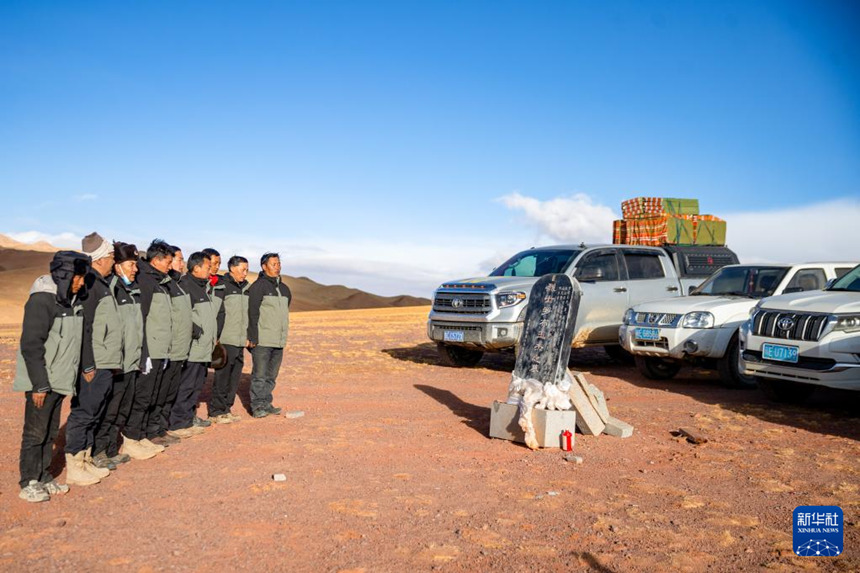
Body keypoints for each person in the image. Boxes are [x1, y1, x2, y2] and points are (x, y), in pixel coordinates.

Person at [15, 251, 90, 502]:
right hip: (42, 381)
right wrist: (39, 384)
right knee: (35, 432)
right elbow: (31, 345)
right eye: (77, 277)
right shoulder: (42, 300)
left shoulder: (69, 301)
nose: (80, 282)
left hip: (59, 379)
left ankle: (44, 475)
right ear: (64, 275)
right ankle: (29, 481)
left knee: (49, 432)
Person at [64, 233, 119, 486]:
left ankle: (84, 460)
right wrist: (88, 363)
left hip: (105, 361)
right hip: (93, 363)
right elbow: (84, 327)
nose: (113, 260)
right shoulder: (90, 285)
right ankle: (75, 466)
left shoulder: (101, 283)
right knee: (84, 411)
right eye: (110, 256)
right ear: (99, 259)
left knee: (95, 410)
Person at [92, 242, 147, 467]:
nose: (135, 269)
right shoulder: (111, 288)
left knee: (123, 407)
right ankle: (98, 451)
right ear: (117, 266)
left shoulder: (130, 289)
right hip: (116, 361)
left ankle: (111, 449)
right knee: (109, 408)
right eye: (131, 264)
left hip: (131, 360)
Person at [122, 240, 173, 458]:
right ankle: (131, 438)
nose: (170, 266)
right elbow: (141, 317)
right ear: (156, 260)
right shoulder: (145, 281)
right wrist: (145, 352)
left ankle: (141, 436)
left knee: (151, 395)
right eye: (168, 262)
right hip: (149, 349)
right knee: (142, 396)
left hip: (161, 348)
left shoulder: (160, 281)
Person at [168, 252, 223, 438]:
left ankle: (189, 417)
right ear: (197, 267)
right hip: (193, 347)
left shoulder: (204, 287)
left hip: (204, 348)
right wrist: (195, 330)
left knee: (197, 384)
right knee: (187, 384)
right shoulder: (185, 285)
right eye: (208, 267)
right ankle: (178, 423)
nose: (211, 270)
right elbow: (181, 313)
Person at [149, 244, 196, 443]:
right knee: (156, 393)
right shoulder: (157, 283)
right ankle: (151, 432)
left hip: (177, 347)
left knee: (168, 392)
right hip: (163, 348)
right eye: (178, 259)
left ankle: (161, 429)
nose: (180, 263)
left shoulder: (175, 283)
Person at [247, 252, 291, 418]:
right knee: (260, 375)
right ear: (264, 267)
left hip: (278, 340)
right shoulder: (259, 287)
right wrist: (253, 337)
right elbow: (252, 313)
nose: (277, 267)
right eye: (274, 264)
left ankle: (266, 403)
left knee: (272, 375)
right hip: (262, 340)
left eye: (279, 263)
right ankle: (257, 406)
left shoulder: (284, 289)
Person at [209, 256, 249, 423]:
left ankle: (226, 408)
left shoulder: (246, 287)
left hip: (240, 340)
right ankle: (216, 412)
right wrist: (215, 337)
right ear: (232, 268)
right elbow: (215, 312)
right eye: (242, 270)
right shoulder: (222, 286)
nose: (245, 273)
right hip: (226, 339)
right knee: (222, 376)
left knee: (234, 378)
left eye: (247, 269)